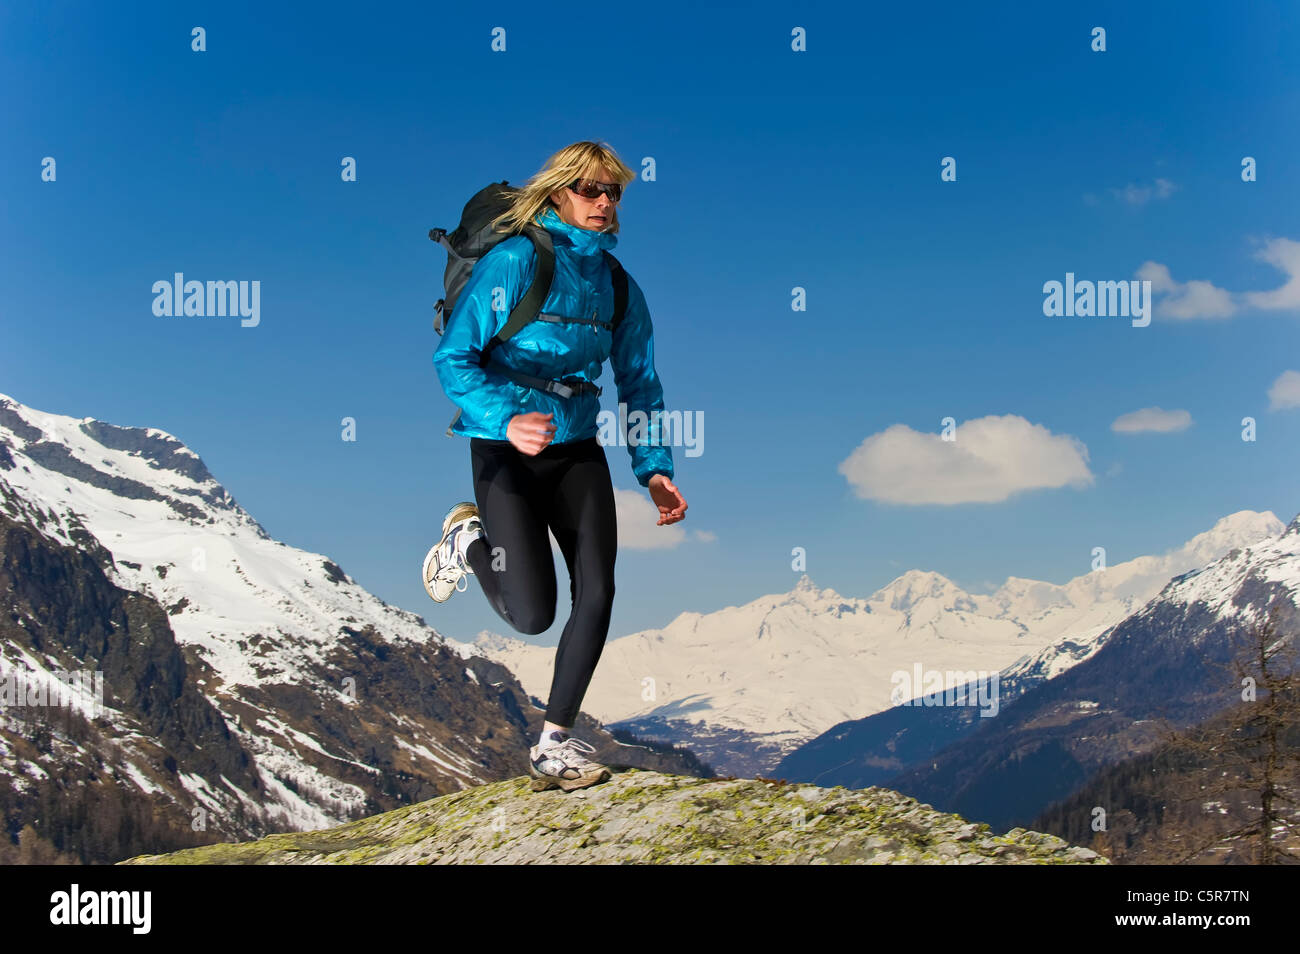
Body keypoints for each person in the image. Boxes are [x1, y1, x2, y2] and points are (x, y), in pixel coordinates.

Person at [424, 141, 688, 792]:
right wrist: (507, 418)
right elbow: (454, 358)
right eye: (591, 190)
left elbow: (641, 385)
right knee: (533, 613)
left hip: (576, 450)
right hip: (504, 449)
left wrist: (654, 471)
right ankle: (467, 541)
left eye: (614, 192)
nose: (604, 202)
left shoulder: (620, 288)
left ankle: (554, 744)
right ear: (559, 194)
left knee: (597, 592)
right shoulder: (516, 262)